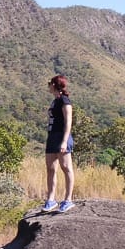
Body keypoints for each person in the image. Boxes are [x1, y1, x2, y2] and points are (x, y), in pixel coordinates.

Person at [41, 74, 75, 213]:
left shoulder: (65, 101)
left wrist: (64, 141)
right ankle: (51, 199)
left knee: (66, 168)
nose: (48, 85)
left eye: (50, 83)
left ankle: (68, 200)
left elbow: (68, 122)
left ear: (54, 85)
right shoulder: (55, 101)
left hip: (62, 137)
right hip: (52, 137)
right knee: (50, 168)